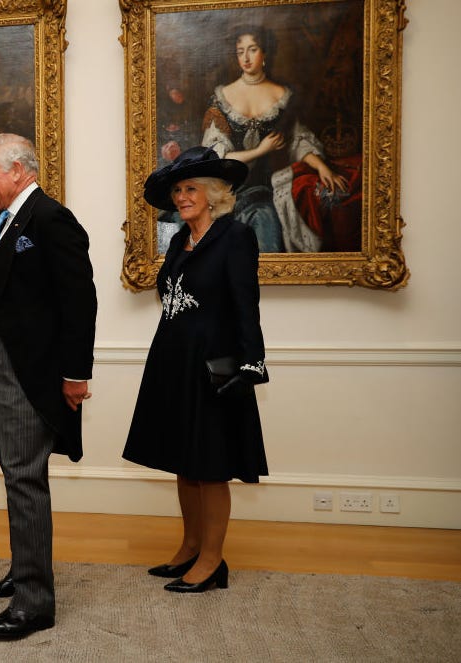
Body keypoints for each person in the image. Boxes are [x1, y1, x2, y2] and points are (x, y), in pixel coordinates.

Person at [0, 133, 97, 638]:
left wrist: (77, 374)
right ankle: (23, 570)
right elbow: (1, 296)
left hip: (28, 371)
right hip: (0, 363)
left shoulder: (51, 219)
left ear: (18, 170)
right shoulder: (9, 221)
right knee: (17, 473)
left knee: (23, 477)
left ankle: (34, 603)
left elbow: (80, 301)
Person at [123, 145, 269, 593]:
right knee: (184, 462)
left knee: (210, 465)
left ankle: (212, 559)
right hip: (173, 359)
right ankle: (189, 548)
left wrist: (251, 364)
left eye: (190, 188)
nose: (182, 196)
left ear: (212, 193)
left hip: (214, 364)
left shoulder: (235, 235)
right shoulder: (180, 241)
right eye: (178, 190)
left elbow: (247, 304)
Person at [200, 26, 351, 252]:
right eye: (240, 51)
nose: (246, 57)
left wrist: (322, 168)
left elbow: (298, 140)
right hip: (224, 190)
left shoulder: (283, 95)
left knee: (265, 229)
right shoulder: (223, 97)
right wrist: (261, 150)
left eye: (252, 50)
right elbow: (215, 157)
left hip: (264, 190)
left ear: (265, 54)